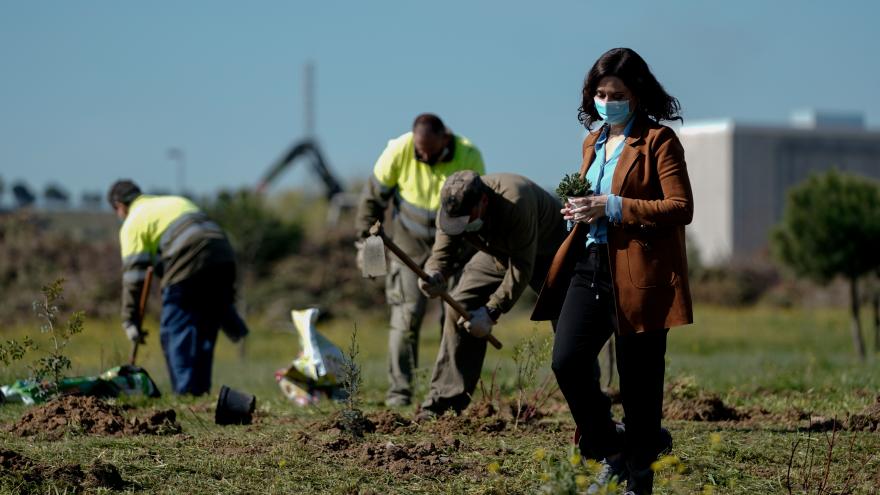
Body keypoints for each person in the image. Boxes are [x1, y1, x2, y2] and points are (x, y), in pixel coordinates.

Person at [531, 47, 694, 494]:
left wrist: (612, 205)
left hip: (639, 273)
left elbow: (680, 207)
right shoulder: (594, 141)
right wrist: (581, 209)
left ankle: (639, 476)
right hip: (589, 263)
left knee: (640, 381)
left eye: (616, 93)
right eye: (600, 93)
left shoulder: (659, 141)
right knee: (567, 360)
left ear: (637, 94)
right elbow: (595, 198)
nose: (607, 101)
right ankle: (611, 446)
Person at [355, 114, 485, 407]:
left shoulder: (469, 154)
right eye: (420, 150)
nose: (424, 155)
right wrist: (365, 242)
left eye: (430, 150)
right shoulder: (399, 150)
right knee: (405, 316)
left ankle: (448, 394)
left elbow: (478, 207)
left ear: (445, 138)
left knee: (453, 318)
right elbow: (372, 198)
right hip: (408, 246)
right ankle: (399, 393)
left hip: (454, 246)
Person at [417, 170, 567, 417]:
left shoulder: (516, 201)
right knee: (458, 305)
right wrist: (434, 274)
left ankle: (588, 401)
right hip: (499, 252)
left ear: (483, 202)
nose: (460, 225)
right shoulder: (452, 209)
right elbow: (442, 254)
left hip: (549, 253)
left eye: (466, 218)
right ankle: (445, 402)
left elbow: (521, 267)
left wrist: (490, 312)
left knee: (567, 322)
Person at [108, 180, 248, 396]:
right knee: (205, 324)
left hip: (188, 253)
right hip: (222, 250)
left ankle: (185, 394)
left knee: (175, 329)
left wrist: (130, 320)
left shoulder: (133, 221)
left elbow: (134, 276)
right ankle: (199, 393)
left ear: (119, 206)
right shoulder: (173, 201)